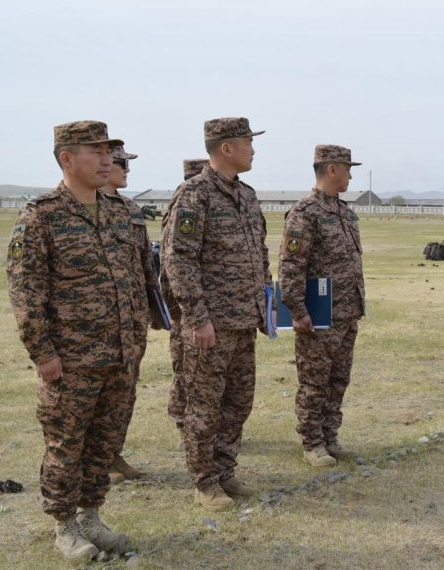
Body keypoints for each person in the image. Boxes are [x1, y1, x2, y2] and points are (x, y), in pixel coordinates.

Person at [7, 120, 141, 560]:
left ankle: (91, 517)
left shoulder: (120, 210)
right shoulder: (41, 215)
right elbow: (26, 292)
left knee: (103, 443)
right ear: (67, 158)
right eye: (96, 152)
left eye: (109, 152)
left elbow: (136, 279)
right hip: (72, 360)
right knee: (67, 445)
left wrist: (136, 338)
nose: (108, 160)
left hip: (120, 356)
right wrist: (43, 353)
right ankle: (64, 527)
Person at [161, 117, 270, 510]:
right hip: (212, 324)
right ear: (226, 148)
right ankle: (204, 481)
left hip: (244, 321)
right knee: (204, 407)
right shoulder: (194, 195)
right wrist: (197, 319)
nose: (253, 149)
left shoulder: (247, 195)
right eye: (247, 142)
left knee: (238, 402)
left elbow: (260, 255)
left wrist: (265, 306)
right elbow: (179, 260)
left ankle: (225, 471)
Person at [280, 144, 367, 467]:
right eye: (347, 168)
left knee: (338, 378)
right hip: (319, 313)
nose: (350, 175)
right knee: (314, 380)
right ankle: (312, 441)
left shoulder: (345, 212)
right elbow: (291, 265)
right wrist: (298, 310)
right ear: (331, 169)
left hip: (347, 311)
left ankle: (330, 435)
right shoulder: (305, 213)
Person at [99, 145, 157, 484]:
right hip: (102, 319)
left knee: (125, 392)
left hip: (133, 318)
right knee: (100, 394)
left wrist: (155, 307)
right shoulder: (84, 206)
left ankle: (113, 453)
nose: (126, 170)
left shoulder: (131, 209)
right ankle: (98, 460)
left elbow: (145, 264)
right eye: (122, 163)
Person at [165, 159, 209, 431]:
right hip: (186, 306)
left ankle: (185, 416)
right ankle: (183, 417)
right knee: (185, 366)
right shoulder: (185, 203)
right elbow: (172, 263)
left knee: (188, 367)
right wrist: (174, 310)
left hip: (195, 303)